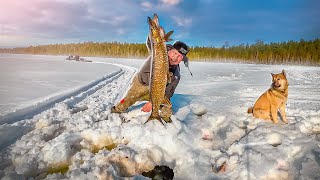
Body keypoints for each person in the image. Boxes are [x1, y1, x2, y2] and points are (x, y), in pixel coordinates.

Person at [111, 41, 190, 122]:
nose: (176, 57)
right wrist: (156, 32)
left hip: (158, 91)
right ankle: (117, 109)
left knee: (167, 106)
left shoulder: (176, 75)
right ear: (169, 50)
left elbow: (168, 93)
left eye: (180, 56)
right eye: (174, 53)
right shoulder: (157, 54)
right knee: (129, 98)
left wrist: (154, 102)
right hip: (143, 82)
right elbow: (150, 42)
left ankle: (165, 121)